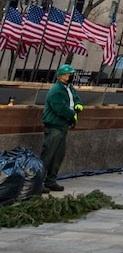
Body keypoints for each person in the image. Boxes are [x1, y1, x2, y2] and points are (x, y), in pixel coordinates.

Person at [40, 64, 81, 192]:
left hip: (62, 126)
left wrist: (78, 105)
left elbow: (75, 99)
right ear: (62, 76)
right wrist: (72, 115)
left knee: (58, 155)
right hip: (54, 126)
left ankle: (51, 181)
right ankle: (38, 182)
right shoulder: (56, 91)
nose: (71, 76)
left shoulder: (69, 88)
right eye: (70, 74)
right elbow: (60, 108)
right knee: (48, 155)